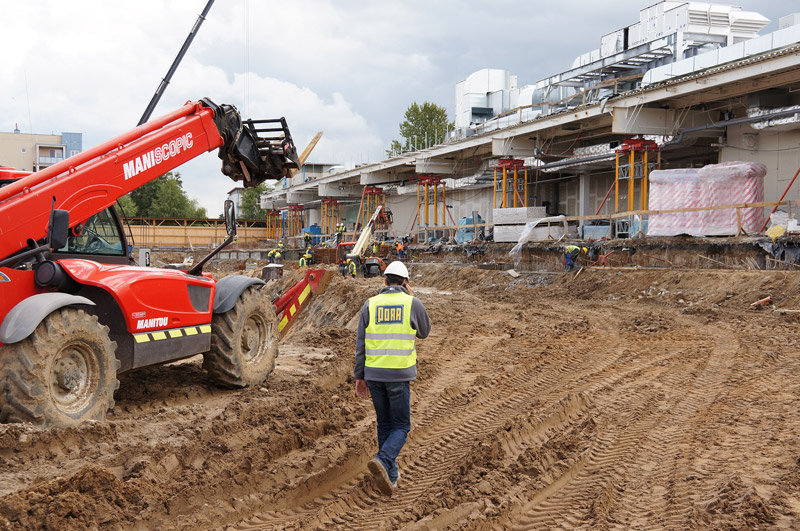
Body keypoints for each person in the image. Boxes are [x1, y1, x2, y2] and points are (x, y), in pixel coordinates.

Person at [354, 261, 430, 495]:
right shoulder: (411, 303)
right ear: (405, 283)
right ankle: (383, 458)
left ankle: (391, 476)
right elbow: (424, 332)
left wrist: (359, 376)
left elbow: (361, 343)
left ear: (384, 281)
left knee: (385, 424)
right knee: (402, 426)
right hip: (398, 375)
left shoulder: (370, 304)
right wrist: (414, 298)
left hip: (374, 375)